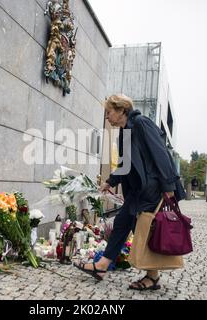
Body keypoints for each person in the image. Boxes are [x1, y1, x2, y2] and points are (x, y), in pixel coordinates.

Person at [74, 94, 186, 290]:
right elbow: (125, 164)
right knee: (122, 223)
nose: (107, 117)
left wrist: (168, 188)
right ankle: (102, 266)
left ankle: (152, 277)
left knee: (143, 230)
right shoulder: (124, 131)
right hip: (136, 192)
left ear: (121, 111)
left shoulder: (141, 124)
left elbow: (160, 154)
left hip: (151, 190)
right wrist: (109, 181)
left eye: (109, 112)